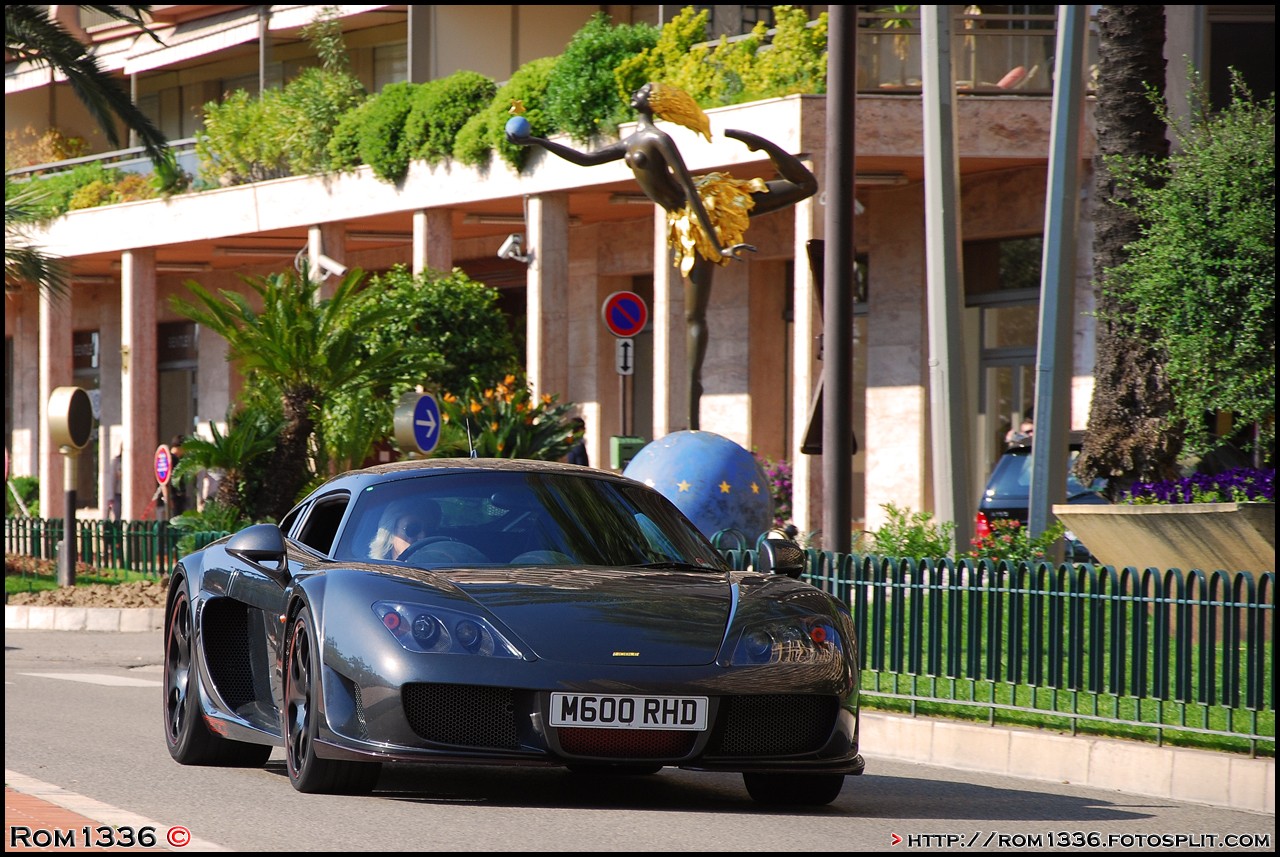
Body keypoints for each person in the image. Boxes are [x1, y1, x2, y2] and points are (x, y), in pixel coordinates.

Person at [507, 82, 817, 429]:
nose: (635, 93)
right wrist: (538, 142)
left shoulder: (659, 139)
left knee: (804, 186)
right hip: (681, 222)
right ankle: (691, 413)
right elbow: (586, 160)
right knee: (692, 315)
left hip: (705, 210)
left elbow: (689, 189)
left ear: (654, 101)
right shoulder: (633, 140)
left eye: (643, 90)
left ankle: (763, 146)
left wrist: (715, 243)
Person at [369, 499, 442, 560]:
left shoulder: (443, 566)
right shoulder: (374, 571)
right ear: (390, 533)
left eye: (430, 530)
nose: (423, 536)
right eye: (413, 529)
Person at [106, 447, 123, 522]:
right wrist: (110, 497)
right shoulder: (116, 462)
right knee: (117, 517)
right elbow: (112, 480)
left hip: (126, 494)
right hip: (118, 494)